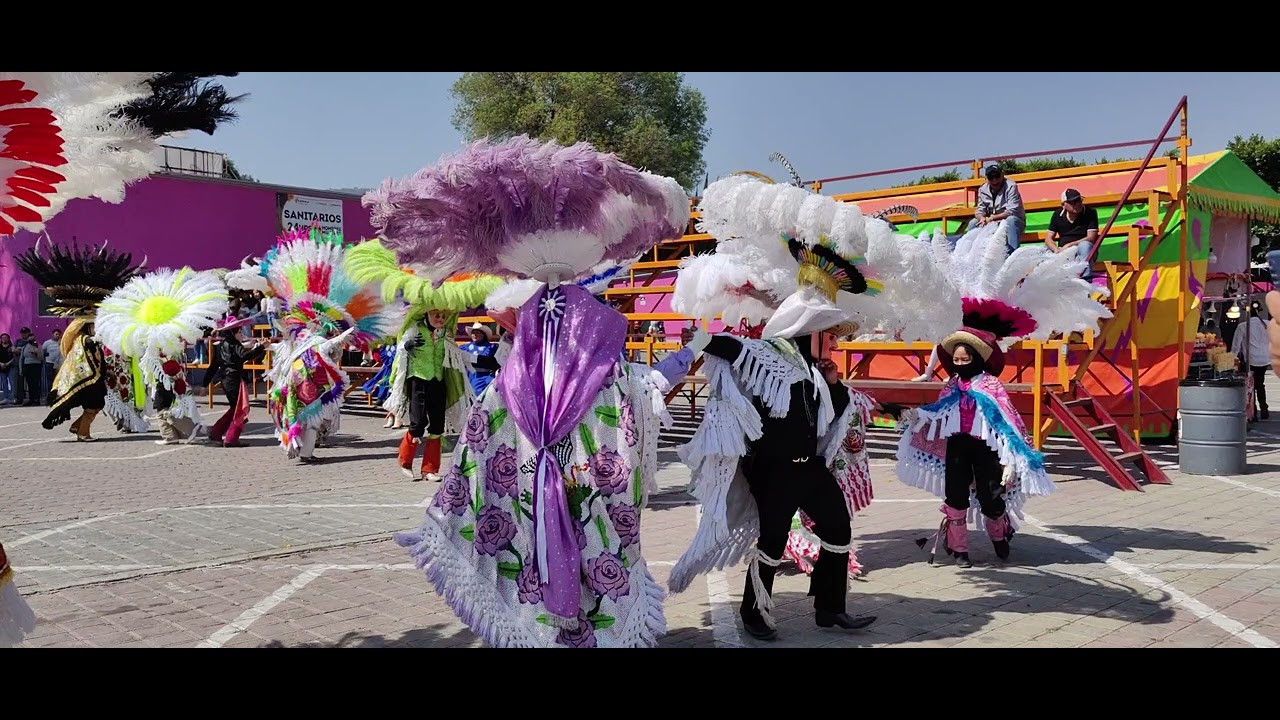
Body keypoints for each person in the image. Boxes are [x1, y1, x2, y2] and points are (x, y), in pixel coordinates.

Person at [377, 135, 688, 647]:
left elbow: (480, 442)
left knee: (540, 570)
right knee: (593, 569)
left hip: (529, 484)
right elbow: (631, 421)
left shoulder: (514, 378)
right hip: (583, 486)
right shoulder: (598, 373)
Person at [671, 171, 896, 641]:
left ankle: (829, 609)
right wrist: (702, 342)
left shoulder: (816, 370)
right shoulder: (768, 355)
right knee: (771, 542)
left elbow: (829, 417)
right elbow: (732, 349)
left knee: (837, 528)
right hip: (773, 468)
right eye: (824, 328)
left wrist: (834, 385)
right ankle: (755, 615)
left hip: (808, 467)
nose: (830, 338)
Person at [257, 226, 402, 464]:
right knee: (309, 419)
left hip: (308, 383)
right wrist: (347, 333)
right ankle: (301, 448)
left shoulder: (310, 340)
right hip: (306, 384)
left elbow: (324, 348)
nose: (314, 327)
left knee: (306, 417)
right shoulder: (308, 340)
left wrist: (343, 336)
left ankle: (299, 446)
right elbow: (296, 346)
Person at [95, 266, 229, 445]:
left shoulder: (158, 337)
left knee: (163, 405)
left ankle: (188, 429)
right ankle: (171, 436)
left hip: (166, 376)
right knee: (164, 404)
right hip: (165, 376)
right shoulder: (168, 333)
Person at [203, 320, 269, 448]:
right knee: (241, 408)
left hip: (225, 379)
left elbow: (213, 366)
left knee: (235, 408)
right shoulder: (234, 344)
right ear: (233, 332)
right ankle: (231, 438)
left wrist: (204, 384)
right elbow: (245, 356)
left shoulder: (220, 345)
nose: (240, 334)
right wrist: (261, 347)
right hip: (234, 379)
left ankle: (216, 432)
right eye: (239, 331)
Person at [1045, 188, 1100, 280]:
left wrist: (1070, 245)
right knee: (1041, 251)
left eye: (1078, 200)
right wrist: (1056, 249)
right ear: (1063, 205)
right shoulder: (1057, 215)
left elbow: (1091, 237)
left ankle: (1085, 279)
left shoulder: (1090, 213)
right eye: (1072, 202)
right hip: (1064, 252)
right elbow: (1048, 239)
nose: (1077, 204)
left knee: (1085, 246)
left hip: (1082, 251)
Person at [970, 164, 1026, 254]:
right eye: (991, 177)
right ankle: (972, 256)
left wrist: (993, 218)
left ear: (1002, 176)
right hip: (992, 223)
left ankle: (1013, 255)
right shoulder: (983, 189)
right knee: (973, 223)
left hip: (1014, 222)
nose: (994, 180)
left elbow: (1012, 211)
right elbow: (980, 209)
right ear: (987, 179)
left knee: (1010, 221)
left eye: (996, 176)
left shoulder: (1011, 186)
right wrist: (981, 218)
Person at [1232, 301, 1270, 421]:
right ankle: (1264, 410)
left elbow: (1236, 346)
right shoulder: (1267, 324)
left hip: (1251, 360)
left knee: (1251, 386)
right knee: (1260, 384)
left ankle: (1253, 412)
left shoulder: (1243, 326)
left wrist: (1232, 359)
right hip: (1264, 359)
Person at [460, 322, 500, 396]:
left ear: (483, 334)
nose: (474, 335)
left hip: (486, 376)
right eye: (473, 333)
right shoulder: (465, 347)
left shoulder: (491, 347)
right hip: (471, 375)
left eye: (477, 333)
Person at [42, 329, 63, 404]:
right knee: (50, 381)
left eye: (58, 334)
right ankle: (49, 397)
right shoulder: (47, 343)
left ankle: (58, 396)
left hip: (60, 364)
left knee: (58, 381)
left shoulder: (62, 342)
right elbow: (43, 352)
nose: (57, 335)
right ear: (52, 334)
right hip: (49, 363)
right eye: (56, 334)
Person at [0, 334, 15, 405]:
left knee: (12, 382)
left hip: (11, 366)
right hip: (1, 367)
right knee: (4, 383)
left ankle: (12, 398)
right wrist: (1, 364)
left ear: (8, 339)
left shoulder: (11, 347)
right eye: (3, 338)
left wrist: (7, 363)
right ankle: (5, 397)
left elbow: (14, 357)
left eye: (6, 338)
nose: (4, 339)